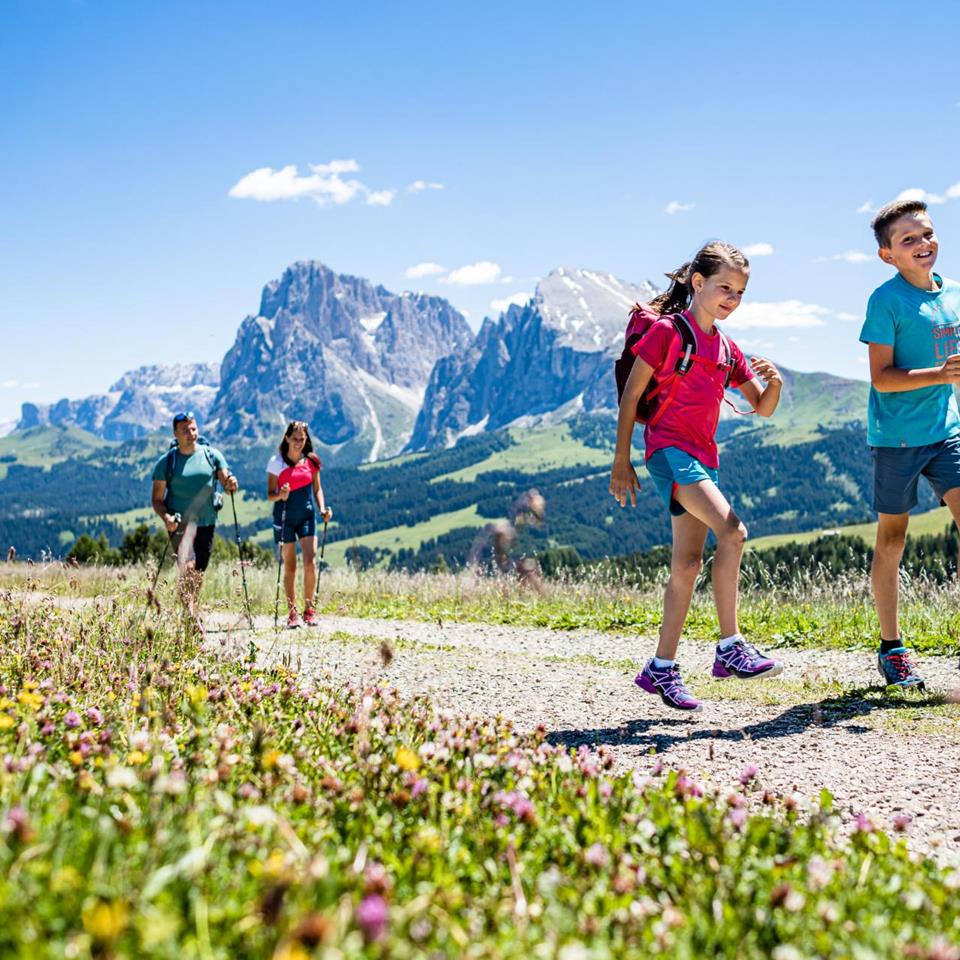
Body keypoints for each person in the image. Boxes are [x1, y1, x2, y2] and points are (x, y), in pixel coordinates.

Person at [609, 241, 784, 712]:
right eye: (725, 287)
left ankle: (661, 668)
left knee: (687, 565)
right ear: (698, 282)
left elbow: (761, 409)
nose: (732, 297)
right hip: (668, 451)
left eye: (741, 292)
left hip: (703, 458)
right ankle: (730, 648)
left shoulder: (727, 347)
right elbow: (631, 395)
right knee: (733, 530)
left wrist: (776, 385)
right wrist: (622, 459)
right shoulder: (669, 332)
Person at [859, 198, 960, 690]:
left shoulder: (954, 295)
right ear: (888, 255)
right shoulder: (886, 300)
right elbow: (882, 378)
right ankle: (892, 648)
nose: (923, 244)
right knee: (893, 539)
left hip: (947, 431)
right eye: (908, 240)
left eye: (927, 234)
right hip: (896, 438)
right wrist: (939, 374)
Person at [150, 412, 238, 618]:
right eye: (185, 430)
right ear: (175, 434)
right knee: (188, 567)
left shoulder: (212, 455)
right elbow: (156, 499)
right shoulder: (167, 463)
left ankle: (190, 610)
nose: (191, 434)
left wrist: (231, 483)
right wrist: (166, 518)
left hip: (207, 522)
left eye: (193, 429)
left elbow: (227, 483)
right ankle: (191, 616)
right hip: (179, 524)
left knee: (198, 571)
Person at [267, 421, 333, 628]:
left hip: (306, 516)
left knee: (310, 562)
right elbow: (270, 495)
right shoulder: (276, 463)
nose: (298, 443)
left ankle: (309, 609)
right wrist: (281, 494)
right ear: (286, 438)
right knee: (291, 566)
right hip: (284, 517)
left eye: (302, 439)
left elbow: (317, 489)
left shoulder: (311, 462)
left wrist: (322, 508)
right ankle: (292, 612)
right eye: (295, 439)